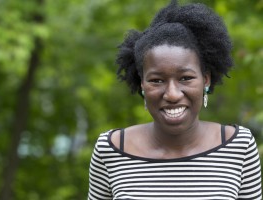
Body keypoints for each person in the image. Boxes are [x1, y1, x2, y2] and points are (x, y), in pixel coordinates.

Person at [88, 0, 262, 199]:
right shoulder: (111, 149)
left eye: (185, 78)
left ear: (205, 80)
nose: (172, 94)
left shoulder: (238, 146)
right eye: (157, 80)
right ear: (142, 84)